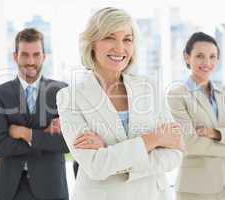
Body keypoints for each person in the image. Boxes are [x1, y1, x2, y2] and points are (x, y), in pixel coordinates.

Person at [57, 7, 183, 200]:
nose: (119, 47)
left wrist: (111, 155)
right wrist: (154, 139)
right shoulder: (69, 97)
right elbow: (95, 167)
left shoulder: (149, 88)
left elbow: (175, 153)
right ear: (92, 43)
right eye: (109, 37)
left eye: (127, 39)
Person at [167, 32, 225, 200]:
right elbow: (189, 143)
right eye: (200, 56)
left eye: (212, 56)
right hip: (195, 187)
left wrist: (215, 133)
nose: (207, 62)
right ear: (187, 57)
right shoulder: (177, 95)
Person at [0, 28, 69, 200]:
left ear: (44, 56)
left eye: (36, 55)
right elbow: (0, 146)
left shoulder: (61, 92)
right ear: (15, 56)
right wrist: (44, 138)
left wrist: (25, 134)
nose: (30, 61)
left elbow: (67, 143)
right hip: (10, 188)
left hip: (51, 187)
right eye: (24, 54)